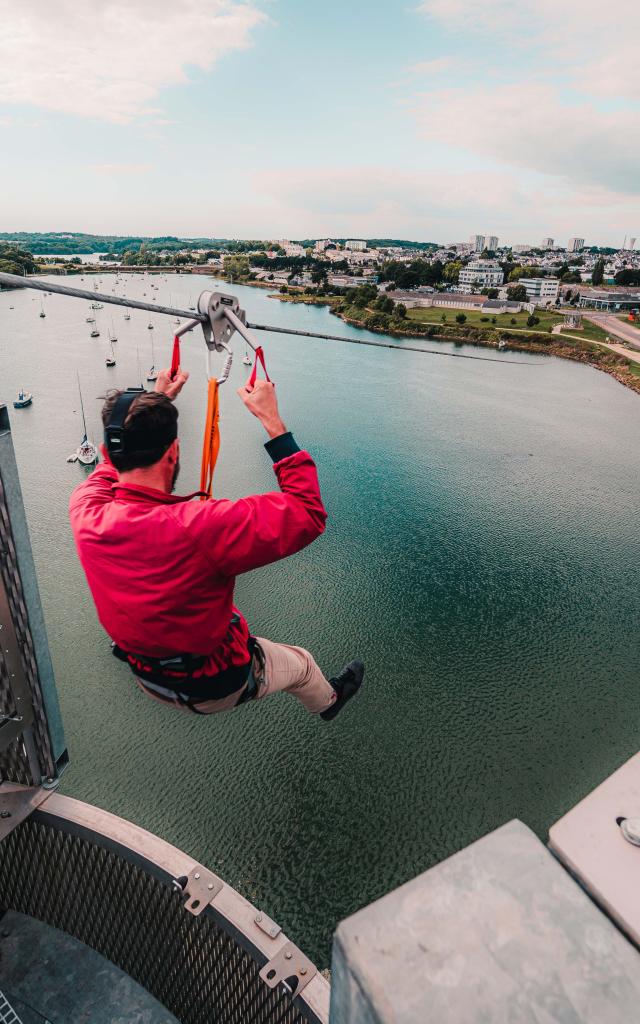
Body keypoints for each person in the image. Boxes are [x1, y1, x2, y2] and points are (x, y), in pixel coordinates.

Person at [69, 367, 364, 720]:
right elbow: (308, 512)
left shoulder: (86, 510)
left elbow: (108, 469)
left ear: (106, 450)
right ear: (174, 452)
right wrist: (271, 419)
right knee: (301, 665)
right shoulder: (201, 527)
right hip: (214, 684)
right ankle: (329, 702)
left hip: (149, 676)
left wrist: (158, 399)